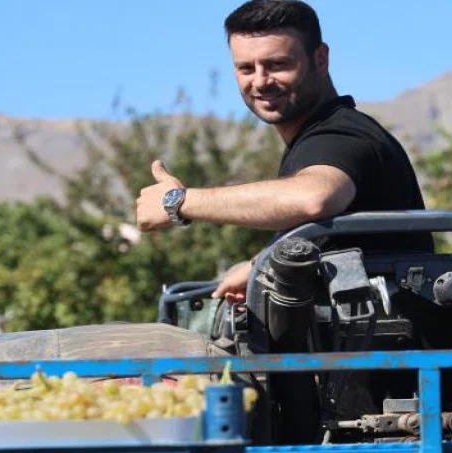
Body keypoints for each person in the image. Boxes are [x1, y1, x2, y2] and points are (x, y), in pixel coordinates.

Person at [134, 0, 434, 304]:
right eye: (246, 68)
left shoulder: (343, 136)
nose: (260, 82)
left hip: (399, 333)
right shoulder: (313, 142)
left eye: (277, 65)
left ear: (320, 59)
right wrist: (260, 264)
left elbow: (314, 197)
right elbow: (331, 235)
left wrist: (180, 202)